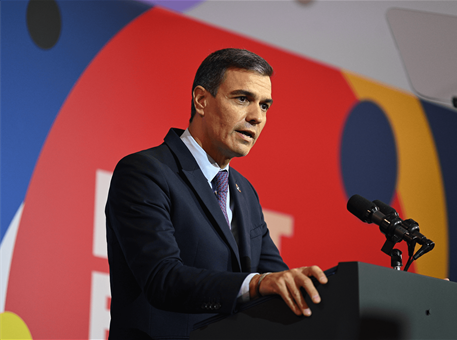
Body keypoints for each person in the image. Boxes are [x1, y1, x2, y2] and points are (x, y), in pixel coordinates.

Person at [106, 48, 327, 339]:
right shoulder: (145, 172)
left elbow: (276, 278)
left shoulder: (245, 192)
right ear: (201, 100)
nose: (256, 117)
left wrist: (310, 291)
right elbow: (162, 278)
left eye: (264, 106)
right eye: (243, 99)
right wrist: (256, 284)